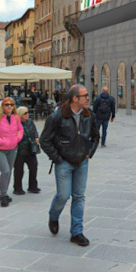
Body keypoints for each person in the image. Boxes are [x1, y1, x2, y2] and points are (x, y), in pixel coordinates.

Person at [40, 85, 100, 246]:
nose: (88, 98)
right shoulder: (57, 116)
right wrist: (58, 159)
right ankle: (53, 216)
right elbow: (45, 141)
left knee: (79, 196)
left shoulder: (89, 115)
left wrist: (89, 153)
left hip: (82, 162)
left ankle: (77, 232)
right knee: (63, 196)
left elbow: (95, 136)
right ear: (75, 98)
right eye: (85, 95)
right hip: (64, 163)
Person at [0, 97, 25, 207]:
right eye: (6, 104)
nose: (9, 106)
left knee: (9, 172)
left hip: (12, 149)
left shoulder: (16, 117)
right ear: (2, 106)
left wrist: (17, 138)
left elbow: (20, 129)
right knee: (5, 171)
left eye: (11, 104)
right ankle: (3, 195)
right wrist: (1, 141)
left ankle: (5, 193)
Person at [13, 107, 41, 196]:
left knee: (34, 167)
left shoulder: (30, 121)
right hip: (20, 150)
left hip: (30, 149)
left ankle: (33, 186)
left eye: (27, 112)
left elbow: (34, 131)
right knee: (19, 170)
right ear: (20, 114)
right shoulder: (15, 124)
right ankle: (17, 188)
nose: (27, 114)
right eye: (25, 113)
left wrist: (36, 137)